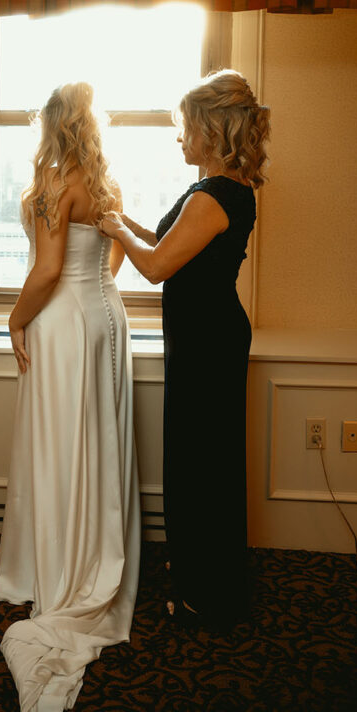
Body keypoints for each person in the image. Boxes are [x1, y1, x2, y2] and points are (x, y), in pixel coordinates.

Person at [99, 69, 270, 633]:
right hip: (204, 335)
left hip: (209, 342)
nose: (179, 138)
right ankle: (203, 569)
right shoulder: (217, 190)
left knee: (203, 462)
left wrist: (114, 231)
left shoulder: (214, 196)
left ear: (212, 129)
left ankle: (209, 595)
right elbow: (164, 245)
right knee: (202, 456)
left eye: (186, 127)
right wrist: (121, 220)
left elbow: (152, 268)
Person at [0, 82, 140, 712]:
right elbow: (111, 254)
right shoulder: (100, 178)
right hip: (104, 316)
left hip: (64, 321)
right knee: (96, 443)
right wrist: (98, 288)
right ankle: (94, 555)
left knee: (64, 447)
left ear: (51, 123)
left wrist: (15, 320)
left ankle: (65, 570)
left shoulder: (56, 179)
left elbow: (48, 270)